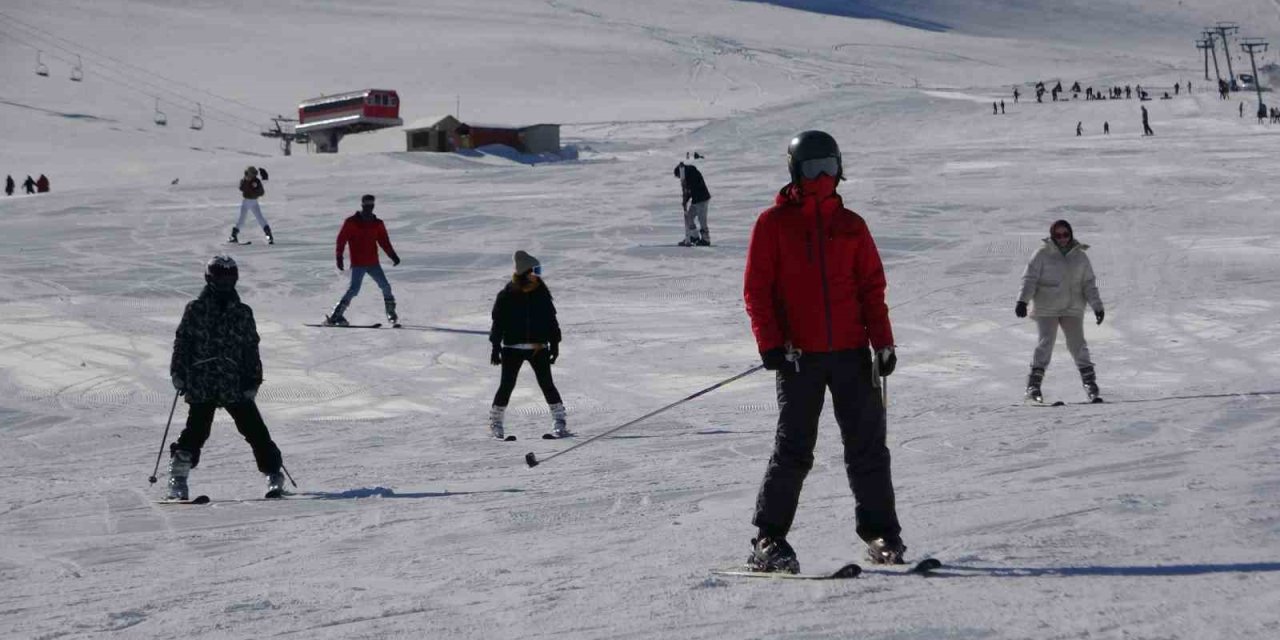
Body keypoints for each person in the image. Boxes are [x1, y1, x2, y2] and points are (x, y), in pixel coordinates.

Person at [742, 130, 903, 574]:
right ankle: (768, 540)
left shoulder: (852, 225)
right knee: (793, 449)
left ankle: (882, 534)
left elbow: (871, 288)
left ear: (839, 168)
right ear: (795, 171)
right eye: (812, 168)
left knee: (868, 448)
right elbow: (758, 291)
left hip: (852, 354)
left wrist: (883, 341)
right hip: (800, 358)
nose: (822, 177)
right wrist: (770, 344)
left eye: (829, 167)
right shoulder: (772, 224)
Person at [167, 255, 286, 500]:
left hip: (233, 381)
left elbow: (251, 347)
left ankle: (274, 474)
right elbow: (183, 342)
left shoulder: (242, 312)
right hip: (203, 380)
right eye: (220, 279)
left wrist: (253, 380)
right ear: (210, 279)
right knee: (196, 431)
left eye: (229, 279)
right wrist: (178, 372)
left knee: (255, 430)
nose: (224, 284)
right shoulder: (196, 309)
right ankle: (177, 480)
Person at [1015, 220, 1104, 403]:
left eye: (1066, 234)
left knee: (1078, 344)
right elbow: (1030, 278)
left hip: (1073, 308)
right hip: (1047, 308)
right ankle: (1033, 387)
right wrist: (1022, 300)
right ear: (1052, 236)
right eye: (1058, 235)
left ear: (1071, 234)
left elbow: (1089, 284)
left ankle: (1090, 384)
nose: (1062, 238)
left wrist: (1097, 306)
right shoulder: (1042, 254)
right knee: (1045, 344)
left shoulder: (1080, 256)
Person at [487, 251, 567, 440]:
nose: (538, 274)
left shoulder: (542, 293)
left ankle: (560, 421)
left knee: (547, 385)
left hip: (538, 347)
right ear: (525, 272)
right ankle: (496, 423)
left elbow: (551, 321)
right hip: (512, 348)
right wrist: (495, 346)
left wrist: (555, 344)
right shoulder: (507, 295)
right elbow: (498, 322)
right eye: (536, 270)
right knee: (506, 386)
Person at [326, 194, 401, 327]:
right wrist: (339, 256)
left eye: (371, 205)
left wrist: (392, 255)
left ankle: (391, 313)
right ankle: (335, 316)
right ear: (362, 205)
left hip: (373, 263)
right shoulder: (351, 222)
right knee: (354, 289)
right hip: (358, 263)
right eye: (366, 205)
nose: (369, 207)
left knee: (385, 286)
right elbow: (341, 239)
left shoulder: (377, 223)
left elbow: (384, 241)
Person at [231, 166, 272, 245]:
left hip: (253, 201)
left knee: (260, 219)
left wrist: (255, 189)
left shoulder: (256, 181)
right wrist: (246, 182)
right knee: (242, 219)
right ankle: (233, 236)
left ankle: (269, 236)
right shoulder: (244, 180)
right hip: (247, 201)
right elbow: (241, 188)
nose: (253, 175)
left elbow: (261, 192)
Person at [673, 162, 711, 246]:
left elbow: (693, 187)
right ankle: (694, 236)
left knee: (702, 220)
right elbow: (688, 191)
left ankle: (706, 239)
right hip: (695, 200)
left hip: (702, 200)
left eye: (679, 177)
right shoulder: (687, 176)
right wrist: (685, 200)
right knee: (689, 218)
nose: (680, 179)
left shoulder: (692, 172)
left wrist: (686, 187)